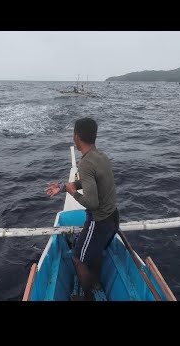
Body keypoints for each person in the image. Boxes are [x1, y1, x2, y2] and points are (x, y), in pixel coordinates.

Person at [45, 118, 119, 301]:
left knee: (78, 258)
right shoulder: (100, 156)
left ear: (76, 137)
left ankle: (88, 298)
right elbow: (90, 181)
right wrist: (64, 187)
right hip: (113, 217)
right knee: (98, 249)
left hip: (99, 221)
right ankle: (95, 282)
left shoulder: (85, 164)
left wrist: (72, 194)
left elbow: (92, 203)